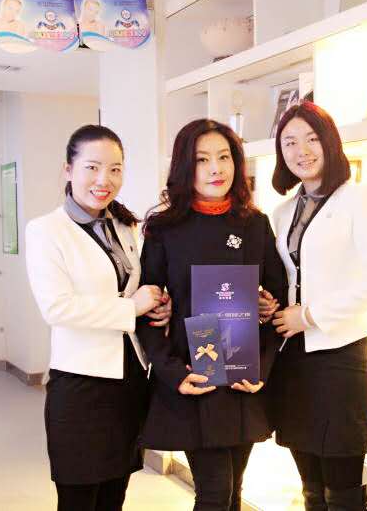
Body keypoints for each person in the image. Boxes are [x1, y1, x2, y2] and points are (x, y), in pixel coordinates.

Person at [136, 119, 287, 511]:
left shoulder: (254, 224)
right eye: (202, 159)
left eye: (224, 157)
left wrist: (262, 367)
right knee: (215, 491)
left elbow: (277, 304)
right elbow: (146, 311)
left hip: (242, 381)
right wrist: (173, 373)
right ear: (186, 166)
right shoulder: (165, 228)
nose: (216, 169)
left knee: (234, 492)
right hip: (195, 378)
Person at [25, 125, 172, 511]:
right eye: (92, 167)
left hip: (129, 379)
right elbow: (56, 307)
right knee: (78, 498)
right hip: (80, 386)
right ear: (68, 169)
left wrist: (157, 305)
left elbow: (135, 289)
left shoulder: (124, 225)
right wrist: (132, 308)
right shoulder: (46, 230)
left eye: (115, 169)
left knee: (114, 496)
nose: (104, 180)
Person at [266, 101, 367, 511]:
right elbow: (286, 278)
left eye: (311, 139)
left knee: (342, 489)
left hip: (342, 357)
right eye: (289, 142)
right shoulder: (282, 212)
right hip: (293, 359)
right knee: (311, 488)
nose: (301, 150)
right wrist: (271, 304)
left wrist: (308, 315)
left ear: (330, 142)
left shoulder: (360, 198)